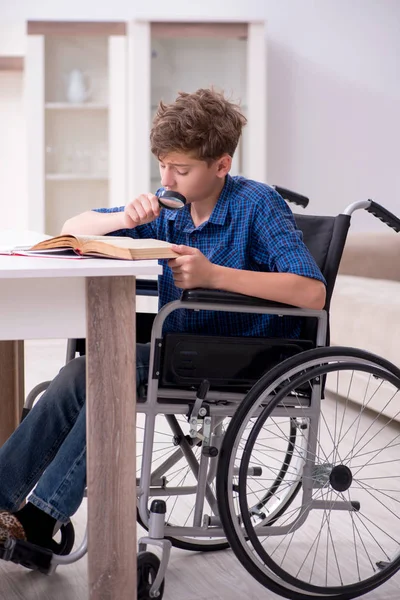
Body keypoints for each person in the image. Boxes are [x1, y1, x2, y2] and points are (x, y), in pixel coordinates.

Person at [0, 88, 326, 553]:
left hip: (243, 357)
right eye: (163, 165)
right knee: (78, 372)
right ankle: (5, 504)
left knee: (108, 369)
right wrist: (122, 219)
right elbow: (73, 226)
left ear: (221, 165)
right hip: (180, 348)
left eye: (181, 169)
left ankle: (41, 517)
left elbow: (312, 290)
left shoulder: (257, 204)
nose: (167, 178)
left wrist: (215, 275)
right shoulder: (171, 208)